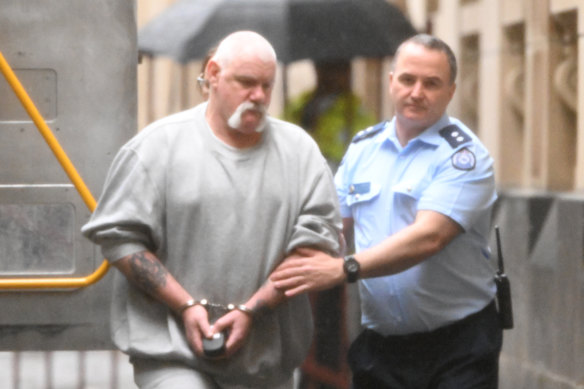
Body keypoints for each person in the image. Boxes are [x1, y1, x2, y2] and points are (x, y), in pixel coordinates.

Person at [82, 30, 342, 389]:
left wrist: (253, 309)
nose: (259, 96)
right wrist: (185, 306)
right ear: (214, 73)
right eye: (247, 83)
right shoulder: (156, 148)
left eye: (267, 85)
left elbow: (315, 247)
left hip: (266, 364)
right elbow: (120, 239)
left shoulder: (300, 154)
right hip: (171, 353)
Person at [271, 33, 502, 388]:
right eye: (408, 79)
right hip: (382, 347)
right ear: (391, 81)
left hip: (459, 344)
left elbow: (430, 236)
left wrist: (345, 267)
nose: (417, 92)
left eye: (432, 83)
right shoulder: (363, 149)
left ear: (451, 91)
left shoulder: (464, 157)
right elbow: (331, 227)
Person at [284, 60, 376, 170]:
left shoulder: (356, 112)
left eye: (338, 70)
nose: (332, 77)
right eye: (326, 69)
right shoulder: (302, 107)